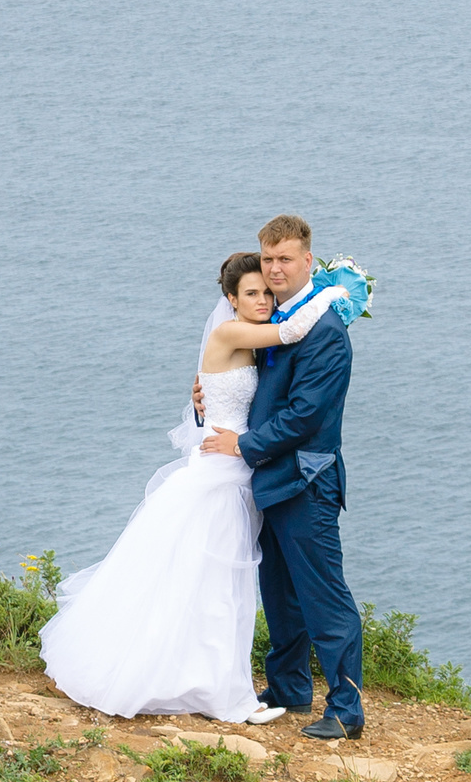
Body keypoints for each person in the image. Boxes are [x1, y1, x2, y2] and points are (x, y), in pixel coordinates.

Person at [38, 251, 343, 724]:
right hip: (222, 474)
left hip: (241, 471)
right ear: (230, 298)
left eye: (266, 290)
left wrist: (202, 397)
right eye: (252, 292)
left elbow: (253, 383)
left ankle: (214, 682)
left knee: (219, 585)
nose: (263, 299)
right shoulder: (232, 331)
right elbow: (290, 331)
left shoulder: (249, 339)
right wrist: (340, 289)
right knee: (220, 587)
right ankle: (226, 696)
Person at [200, 214, 367, 740]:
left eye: (285, 259)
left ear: (308, 263)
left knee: (323, 596)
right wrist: (206, 395)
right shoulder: (270, 319)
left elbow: (306, 415)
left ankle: (346, 710)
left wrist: (240, 444)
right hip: (267, 479)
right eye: (268, 259)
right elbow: (240, 382)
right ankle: (290, 688)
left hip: (306, 481)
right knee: (279, 592)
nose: (274, 269)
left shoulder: (325, 332)